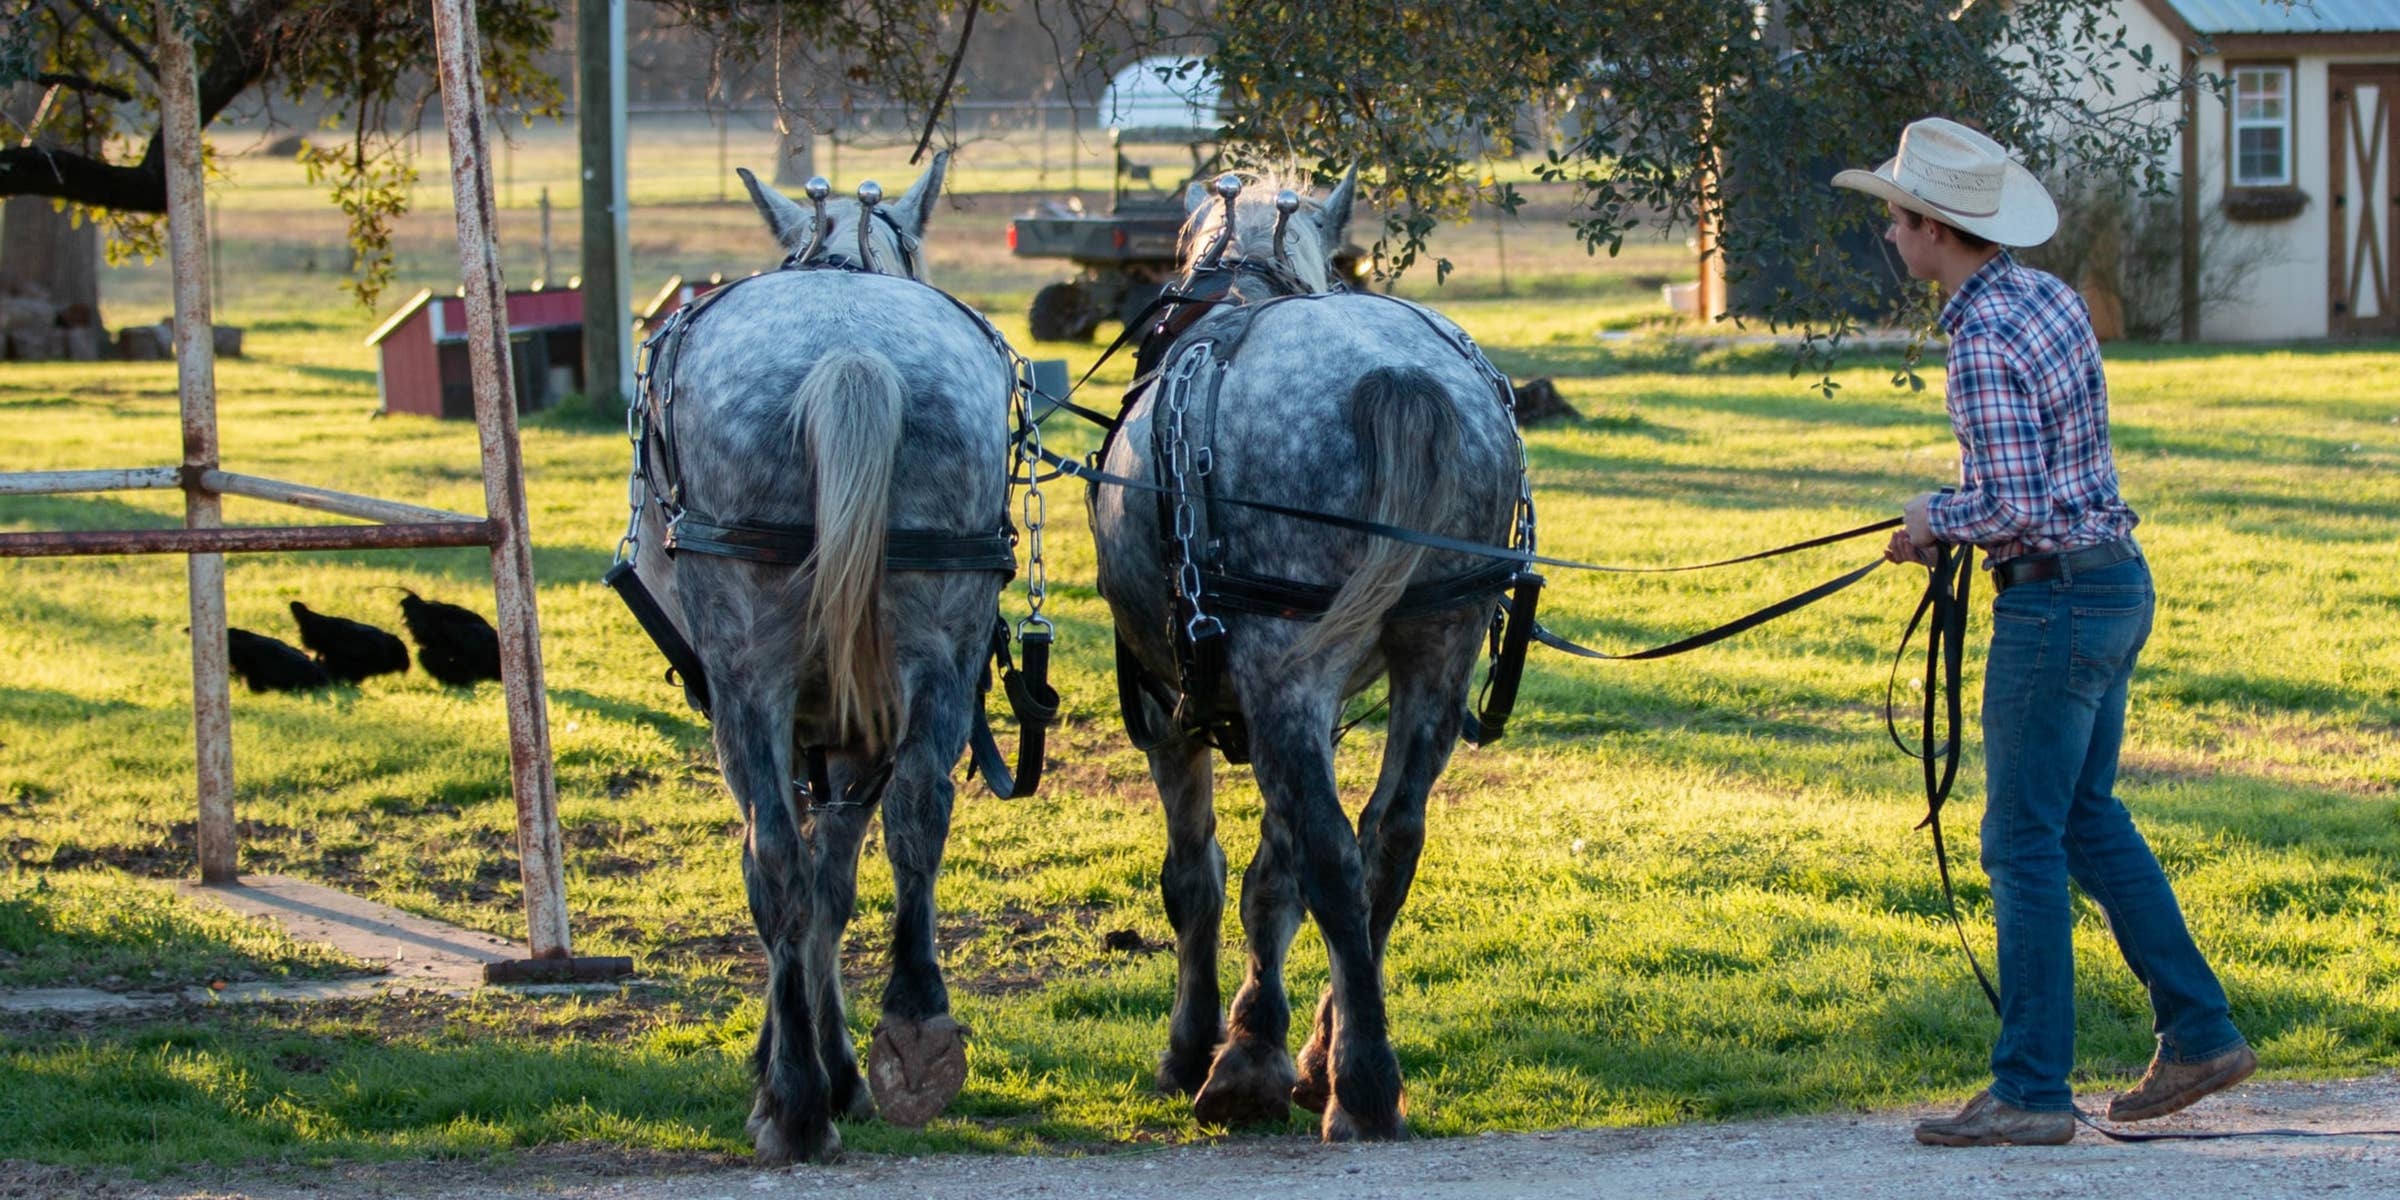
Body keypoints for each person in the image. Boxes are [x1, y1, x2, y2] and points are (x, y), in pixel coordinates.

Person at [1833, 117, 2254, 1147]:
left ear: (1934, 229)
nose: (1890, 234)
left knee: (2020, 841)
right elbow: (2055, 475)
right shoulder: (2048, 297)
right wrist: (1950, 507)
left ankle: (2029, 1089)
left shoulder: (1979, 337)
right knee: (2086, 820)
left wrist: (1936, 518)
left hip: (2055, 606)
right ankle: (2199, 1029)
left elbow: (2014, 501)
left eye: (1896, 217)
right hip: (2114, 585)